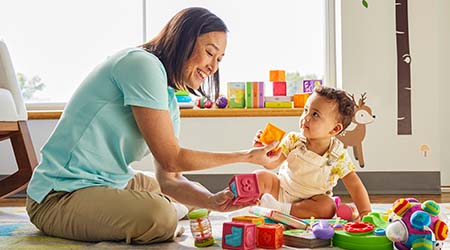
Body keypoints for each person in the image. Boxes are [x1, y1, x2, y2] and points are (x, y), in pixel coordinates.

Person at [26, 7, 281, 245]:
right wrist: (247, 156)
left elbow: (169, 180)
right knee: (161, 217)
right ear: (184, 40)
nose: (213, 66)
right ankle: (164, 213)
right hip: (59, 195)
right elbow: (172, 158)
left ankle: (163, 208)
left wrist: (213, 202)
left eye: (220, 59)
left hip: (112, 182)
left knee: (196, 194)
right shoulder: (142, 64)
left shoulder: (168, 97)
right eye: (210, 52)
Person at [253, 86, 371, 219]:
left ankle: (281, 210)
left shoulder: (338, 155)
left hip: (310, 203)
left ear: (334, 129)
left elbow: (354, 185)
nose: (305, 117)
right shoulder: (293, 140)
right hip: (281, 190)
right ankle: (246, 203)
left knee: (328, 207)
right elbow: (271, 164)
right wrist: (263, 152)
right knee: (259, 176)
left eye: (315, 114)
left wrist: (365, 212)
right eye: (305, 110)